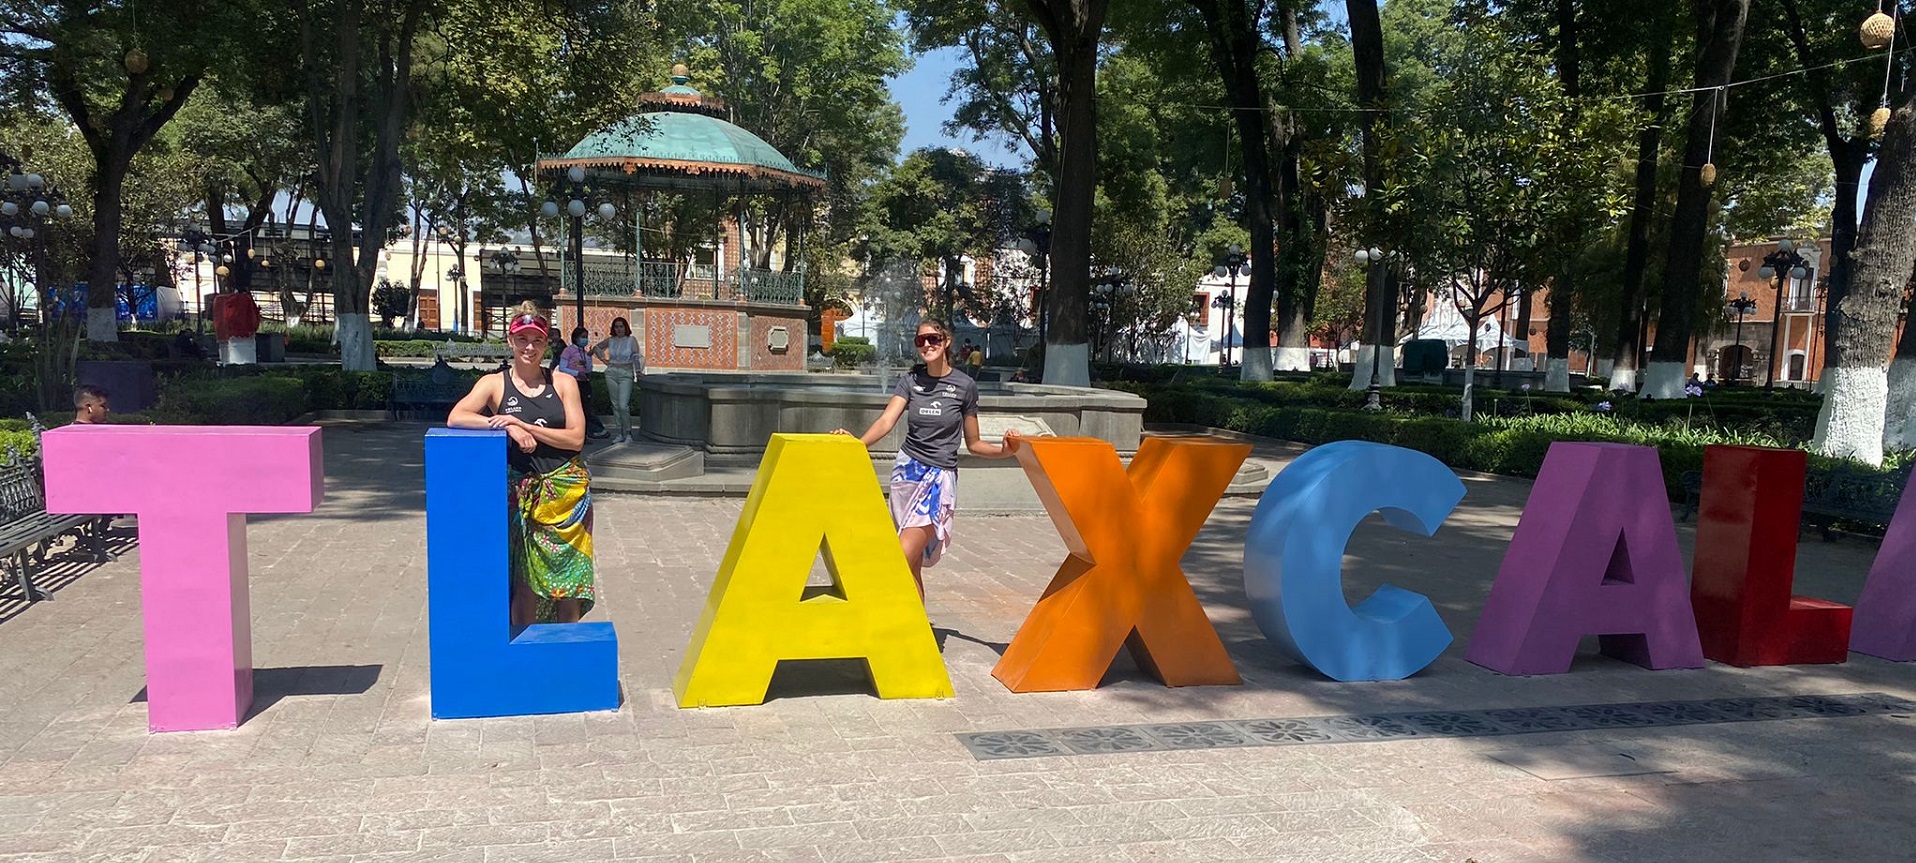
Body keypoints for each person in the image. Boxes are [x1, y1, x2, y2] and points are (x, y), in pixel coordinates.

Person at [833, 320, 1020, 599]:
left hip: (938, 482)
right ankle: (918, 637)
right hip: (906, 475)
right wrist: (857, 444)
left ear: (946, 342)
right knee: (911, 566)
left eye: (932, 339)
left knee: (899, 557)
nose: (927, 345)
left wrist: (1005, 451)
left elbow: (974, 443)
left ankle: (887, 624)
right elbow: (886, 421)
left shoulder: (964, 386)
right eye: (920, 341)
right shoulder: (911, 381)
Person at [447, 302, 597, 626]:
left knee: (568, 583)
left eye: (537, 340)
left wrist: (525, 426)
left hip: (567, 497)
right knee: (524, 582)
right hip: (523, 496)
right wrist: (506, 426)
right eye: (522, 339)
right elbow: (457, 416)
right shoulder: (494, 384)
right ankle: (523, 656)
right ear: (511, 341)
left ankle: (564, 655)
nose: (529, 347)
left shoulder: (563, 383)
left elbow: (575, 439)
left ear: (547, 344)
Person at [592, 317, 644, 443]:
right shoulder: (611, 340)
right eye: (616, 327)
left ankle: (628, 433)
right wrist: (604, 360)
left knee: (623, 405)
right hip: (611, 372)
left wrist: (638, 372)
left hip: (626, 373)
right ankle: (620, 432)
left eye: (621, 326)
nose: (619, 329)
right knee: (615, 405)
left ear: (625, 327)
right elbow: (597, 348)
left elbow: (636, 356)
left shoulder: (631, 340)